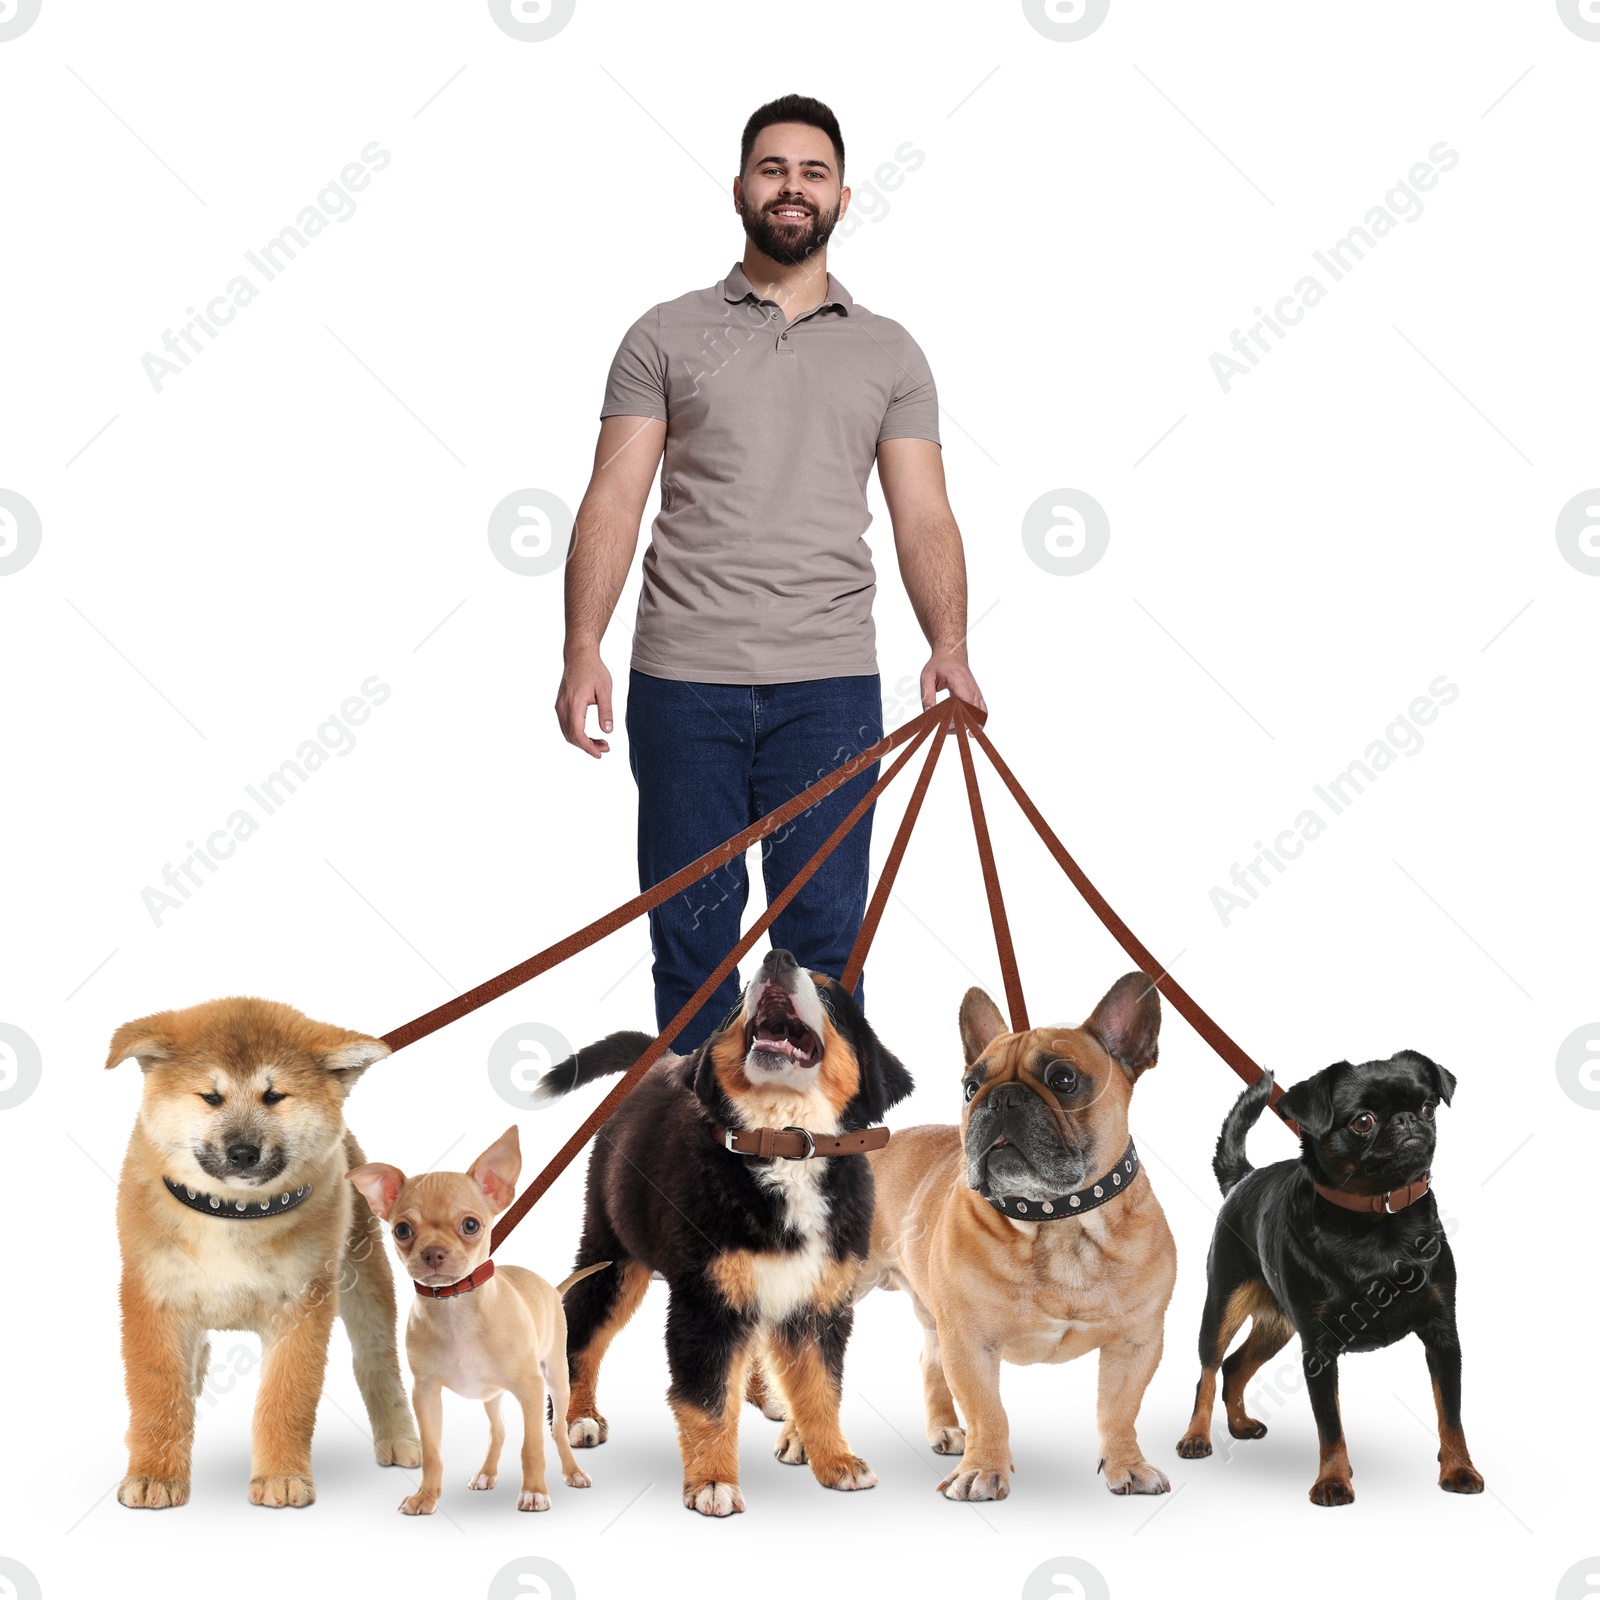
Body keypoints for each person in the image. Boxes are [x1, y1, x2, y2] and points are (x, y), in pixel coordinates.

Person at [555, 93, 984, 1053]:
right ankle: (700, 1166)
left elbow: (923, 514)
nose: (792, 186)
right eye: (773, 168)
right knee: (692, 944)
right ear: (741, 187)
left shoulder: (889, 351)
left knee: (825, 950)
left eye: (812, 171)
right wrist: (583, 645)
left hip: (828, 690)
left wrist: (948, 646)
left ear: (840, 195)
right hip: (682, 683)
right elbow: (614, 500)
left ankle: (811, 1166)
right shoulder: (664, 335)